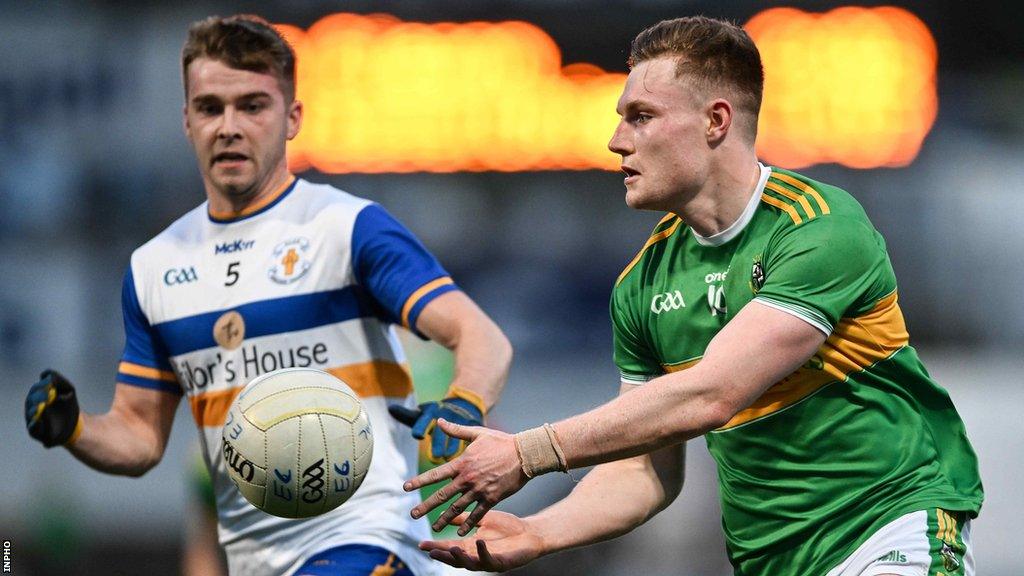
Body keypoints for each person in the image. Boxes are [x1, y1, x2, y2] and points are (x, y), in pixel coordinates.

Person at [404, 16, 983, 576]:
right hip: (769, 560)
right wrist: (540, 532)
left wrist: (528, 452)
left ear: (715, 121)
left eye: (642, 116)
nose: (615, 140)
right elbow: (642, 468)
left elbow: (713, 393)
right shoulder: (644, 283)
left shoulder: (821, 227)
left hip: (891, 530)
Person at [23, 14, 512, 576]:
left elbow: (483, 338)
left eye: (253, 106)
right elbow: (138, 437)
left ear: (292, 118)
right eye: (210, 108)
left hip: (372, 539)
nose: (228, 126)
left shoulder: (349, 228)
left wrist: (464, 402)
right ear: (186, 120)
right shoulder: (153, 268)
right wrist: (75, 429)